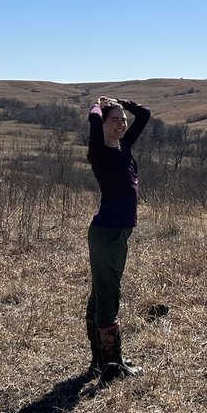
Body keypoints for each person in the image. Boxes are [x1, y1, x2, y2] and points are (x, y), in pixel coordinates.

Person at [84, 95, 150, 381]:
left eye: (123, 120)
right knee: (108, 296)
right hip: (107, 233)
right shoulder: (99, 151)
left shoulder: (124, 148)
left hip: (117, 233)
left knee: (101, 293)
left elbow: (144, 114)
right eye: (115, 121)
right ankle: (112, 366)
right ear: (103, 125)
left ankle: (100, 360)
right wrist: (98, 104)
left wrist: (122, 102)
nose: (122, 125)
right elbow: (93, 117)